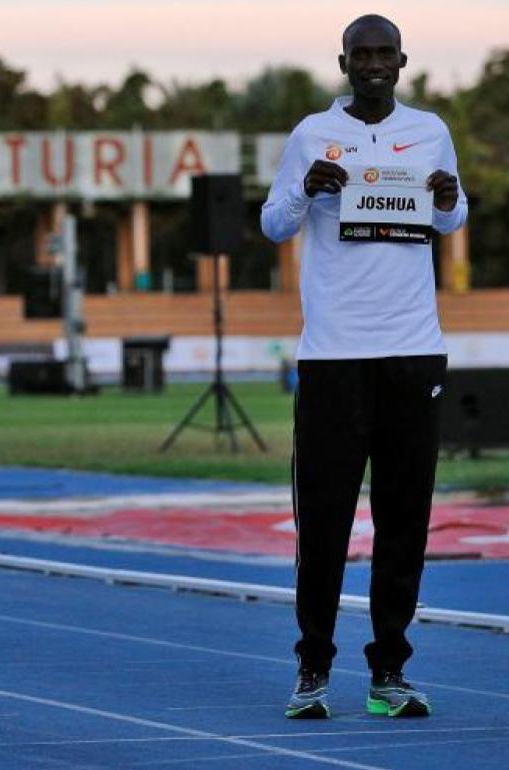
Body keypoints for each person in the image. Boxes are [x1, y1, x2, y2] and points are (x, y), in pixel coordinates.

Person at [261, 14, 466, 719]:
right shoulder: (311, 134)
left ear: (403, 61)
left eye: (385, 53)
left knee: (405, 520)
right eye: (362, 54)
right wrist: (306, 189)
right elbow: (273, 223)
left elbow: (450, 216)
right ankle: (312, 669)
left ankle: (389, 674)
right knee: (324, 523)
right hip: (333, 356)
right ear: (343, 62)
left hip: (413, 351)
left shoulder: (432, 128)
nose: (374, 63)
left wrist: (446, 198)